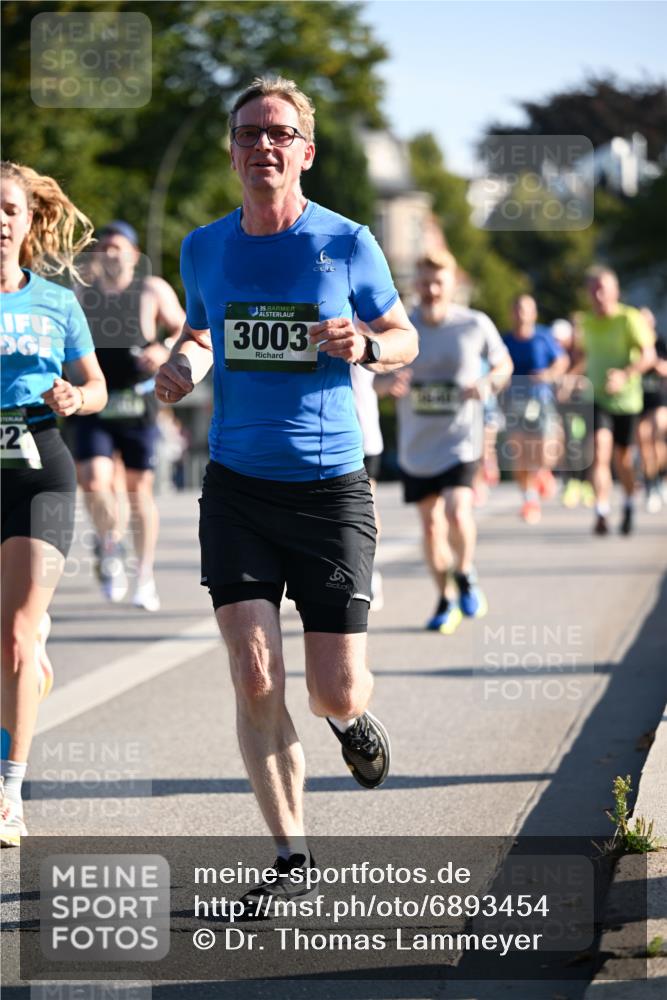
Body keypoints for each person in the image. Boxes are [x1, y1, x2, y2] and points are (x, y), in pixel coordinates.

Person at [154, 77, 417, 906]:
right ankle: (292, 858)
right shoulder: (204, 246)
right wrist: (182, 365)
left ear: (304, 150)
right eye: (247, 132)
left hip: (331, 488)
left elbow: (402, 335)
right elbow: (202, 331)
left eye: (278, 132)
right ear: (232, 150)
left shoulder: (345, 242)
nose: (261, 144)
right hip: (235, 485)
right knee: (255, 674)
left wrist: (368, 345)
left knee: (332, 685)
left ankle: (347, 721)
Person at [0, 161, 107, 847]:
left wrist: (75, 396)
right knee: (11, 642)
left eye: (7, 208)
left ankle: (9, 791)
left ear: (30, 219)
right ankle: (29, 663)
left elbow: (93, 385)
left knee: (13, 631)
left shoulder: (57, 302)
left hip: (38, 465)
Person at [380, 249, 513, 634]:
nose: (431, 289)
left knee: (456, 511)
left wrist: (487, 383)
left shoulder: (474, 324)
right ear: (415, 285)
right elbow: (372, 377)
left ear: (453, 284)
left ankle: (466, 570)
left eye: (438, 282)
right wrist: (390, 383)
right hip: (418, 447)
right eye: (423, 281)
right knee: (431, 526)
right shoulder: (400, 327)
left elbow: (504, 365)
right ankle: (444, 598)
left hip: (461, 440)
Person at [75, 221, 185, 610]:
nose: (108, 252)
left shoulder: (152, 290)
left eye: (117, 246)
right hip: (94, 400)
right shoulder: (80, 291)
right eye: (102, 247)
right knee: (93, 481)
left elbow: (185, 329)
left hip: (138, 401)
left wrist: (163, 348)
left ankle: (144, 575)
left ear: (135, 255)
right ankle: (109, 545)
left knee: (138, 492)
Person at [577, 267, 656, 535]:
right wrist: (569, 377)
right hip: (597, 397)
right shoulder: (586, 322)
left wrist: (624, 375)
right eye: (593, 289)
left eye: (603, 289)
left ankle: (629, 502)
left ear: (615, 291)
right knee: (599, 451)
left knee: (623, 459)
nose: (598, 294)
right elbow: (584, 357)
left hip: (627, 401)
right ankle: (601, 510)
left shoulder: (629, 318)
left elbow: (648, 356)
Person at [501, 295, 569, 524]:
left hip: (541, 400)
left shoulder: (543, 336)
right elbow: (497, 365)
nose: (521, 313)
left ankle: (543, 472)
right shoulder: (506, 341)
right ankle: (529, 499)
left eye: (526, 309)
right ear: (512, 313)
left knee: (545, 448)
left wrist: (548, 375)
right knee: (519, 453)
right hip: (514, 402)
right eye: (518, 309)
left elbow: (562, 361)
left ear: (534, 313)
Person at [351, 329, 385, 610]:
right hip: (326, 433)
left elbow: (390, 361)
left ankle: (369, 571)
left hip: (364, 436)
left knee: (365, 507)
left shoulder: (368, 326)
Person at [636, 308, 667, 513]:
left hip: (659, 399)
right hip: (638, 400)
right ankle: (651, 484)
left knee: (657, 436)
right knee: (643, 440)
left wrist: (654, 362)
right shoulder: (632, 344)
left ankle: (662, 477)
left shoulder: (660, 343)